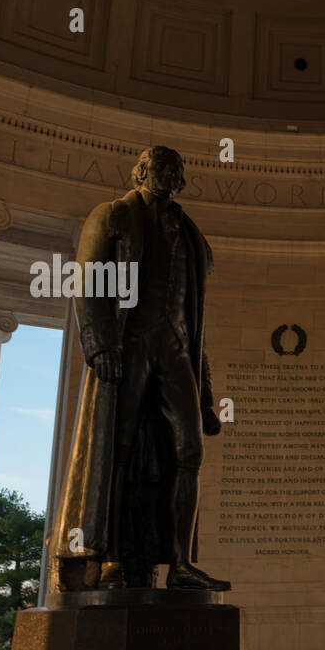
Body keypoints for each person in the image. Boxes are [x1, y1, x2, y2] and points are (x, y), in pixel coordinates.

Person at [51, 145, 230, 592]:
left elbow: (197, 321)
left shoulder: (190, 235)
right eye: (159, 166)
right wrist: (100, 345)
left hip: (176, 348)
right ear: (142, 171)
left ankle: (182, 563)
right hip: (129, 342)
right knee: (119, 448)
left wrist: (206, 395)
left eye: (175, 167)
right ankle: (111, 556)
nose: (167, 173)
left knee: (189, 451)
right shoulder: (113, 215)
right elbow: (89, 281)